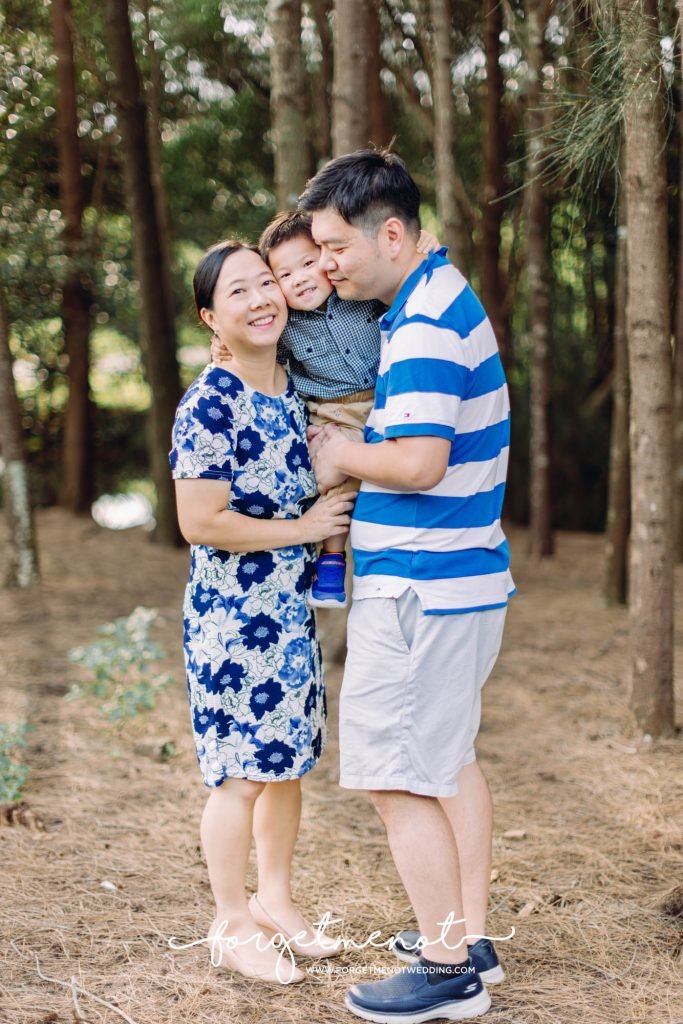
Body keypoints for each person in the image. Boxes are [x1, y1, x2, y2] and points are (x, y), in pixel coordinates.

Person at [300, 150, 515, 1021]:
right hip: (458, 585)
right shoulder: (434, 299)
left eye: (332, 246)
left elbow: (420, 463)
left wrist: (337, 454)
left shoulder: (423, 324)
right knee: (447, 764)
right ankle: (467, 938)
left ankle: (444, 971)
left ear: (389, 233)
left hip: (421, 590)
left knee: (395, 777)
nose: (324, 265)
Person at [169, 240, 354, 983]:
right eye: (237, 292)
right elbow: (200, 521)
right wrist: (305, 529)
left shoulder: (289, 392)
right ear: (213, 317)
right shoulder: (209, 401)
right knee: (239, 777)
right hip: (231, 620)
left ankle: (276, 900)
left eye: (265, 283)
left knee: (284, 770)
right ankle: (231, 918)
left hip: (286, 616)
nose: (260, 299)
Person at [211, 211, 439, 609]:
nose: (299, 278)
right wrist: (221, 348)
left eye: (307, 263)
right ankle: (332, 560)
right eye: (283, 275)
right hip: (334, 413)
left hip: (388, 400)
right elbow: (250, 346)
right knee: (337, 483)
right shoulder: (285, 326)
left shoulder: (358, 294)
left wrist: (423, 244)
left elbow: (397, 274)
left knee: (401, 464)